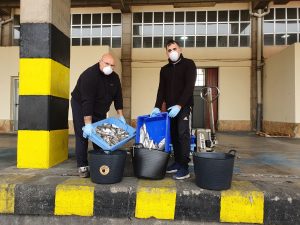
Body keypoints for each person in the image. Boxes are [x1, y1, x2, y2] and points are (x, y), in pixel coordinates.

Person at [71, 53, 126, 178]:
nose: (109, 67)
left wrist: (120, 115)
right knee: (83, 134)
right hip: (81, 105)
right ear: (100, 61)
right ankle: (82, 165)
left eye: (112, 66)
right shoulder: (89, 76)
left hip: (100, 108)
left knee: (101, 133)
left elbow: (118, 97)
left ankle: (99, 159)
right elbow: (87, 101)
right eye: (107, 64)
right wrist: (88, 124)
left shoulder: (114, 78)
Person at [150, 40, 196, 180]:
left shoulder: (189, 64)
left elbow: (189, 87)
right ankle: (177, 162)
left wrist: (180, 105)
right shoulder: (164, 70)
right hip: (170, 108)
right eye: (169, 50)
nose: (172, 52)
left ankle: (184, 167)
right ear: (166, 53)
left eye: (174, 49)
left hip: (183, 106)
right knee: (174, 135)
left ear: (180, 50)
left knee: (183, 134)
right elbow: (161, 90)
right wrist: (157, 106)